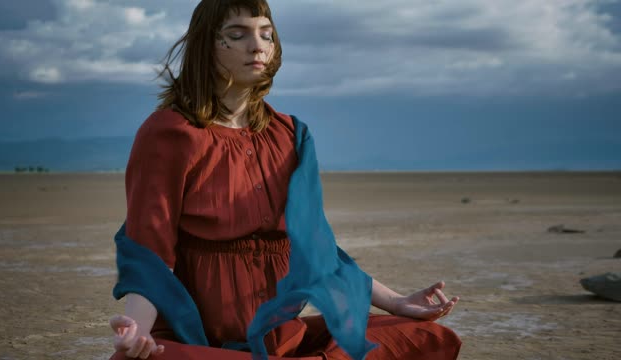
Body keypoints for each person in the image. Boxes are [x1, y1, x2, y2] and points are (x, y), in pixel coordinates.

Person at [108, 0, 462, 359]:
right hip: (198, 340)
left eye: (266, 34)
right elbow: (150, 250)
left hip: (281, 337)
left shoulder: (290, 135)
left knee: (422, 334)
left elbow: (317, 251)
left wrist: (397, 302)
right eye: (237, 34)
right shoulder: (170, 133)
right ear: (206, 45)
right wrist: (135, 331)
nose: (257, 45)